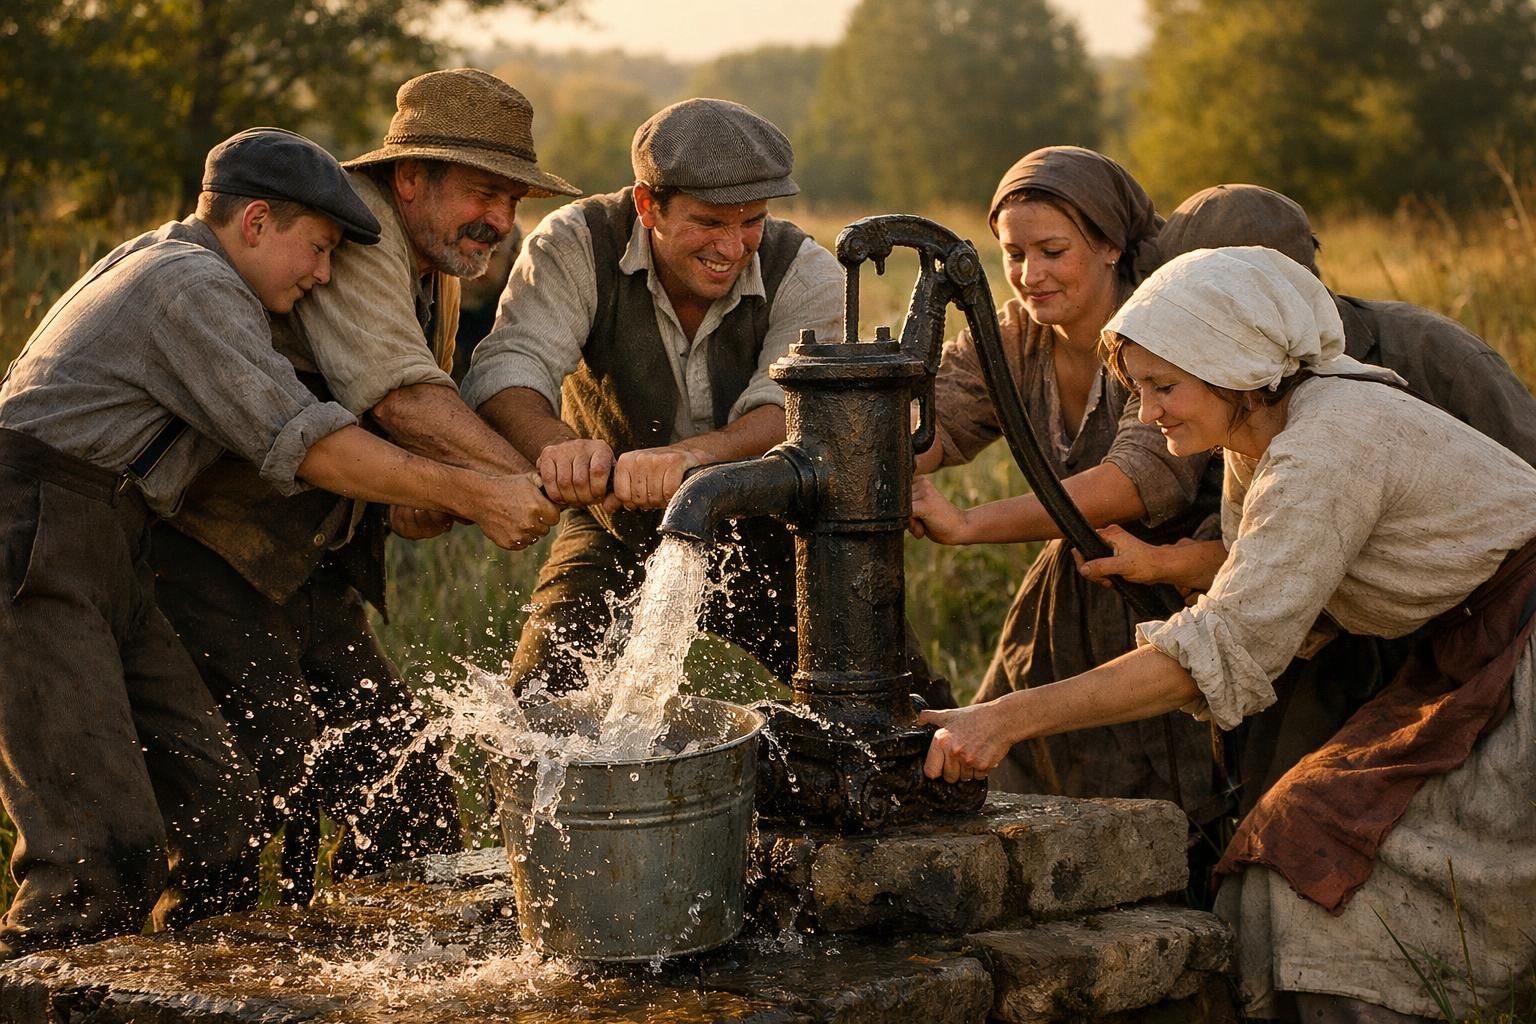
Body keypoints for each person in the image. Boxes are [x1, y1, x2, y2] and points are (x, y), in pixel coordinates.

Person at [920, 246, 1536, 1022]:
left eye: (1164, 387)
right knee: (1294, 845)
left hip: (1519, 654)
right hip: (1470, 650)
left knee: (1338, 882)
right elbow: (1272, 560)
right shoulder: (1266, 436)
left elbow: (1219, 646)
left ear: (1236, 366)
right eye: (1139, 389)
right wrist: (1165, 563)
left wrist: (1004, 718)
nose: (1148, 414)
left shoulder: (1328, 442)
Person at [0, 128, 555, 956]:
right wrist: (475, 490)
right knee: (96, 852)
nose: (325, 275)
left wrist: (419, 497)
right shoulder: (191, 286)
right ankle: (40, 988)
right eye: (319, 249)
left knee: (220, 809)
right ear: (256, 222)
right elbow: (308, 444)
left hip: (113, 536)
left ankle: (205, 989)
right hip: (34, 526)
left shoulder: (185, 269)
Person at [149, 69, 578, 902]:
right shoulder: (356, 228)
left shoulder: (438, 261)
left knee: (405, 790)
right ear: (410, 177)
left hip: (307, 568)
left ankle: (377, 960)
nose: (501, 222)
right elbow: (404, 401)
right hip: (209, 556)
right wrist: (537, 482)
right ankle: (188, 965)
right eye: (485, 193)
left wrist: (443, 494)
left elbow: (407, 441)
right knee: (250, 805)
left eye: (513, 202)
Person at [1108, 183, 1536, 814]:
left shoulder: (1408, 365)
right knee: (1286, 790)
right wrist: (1166, 565)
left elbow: (1509, 492)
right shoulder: (1243, 418)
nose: (1149, 410)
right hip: (1355, 623)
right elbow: (1263, 551)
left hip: (1482, 622)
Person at [462, 98, 850, 696]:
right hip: (614, 521)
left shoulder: (806, 270)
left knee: (880, 695)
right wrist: (561, 448)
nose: (732, 246)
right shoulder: (575, 241)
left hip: (772, 523)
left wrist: (691, 457)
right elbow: (511, 366)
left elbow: (793, 409)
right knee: (541, 702)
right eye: (710, 222)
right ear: (647, 205)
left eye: (751, 221)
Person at [909, 146, 1222, 816]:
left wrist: (966, 525)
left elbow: (1139, 480)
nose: (1030, 275)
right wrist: (882, 447)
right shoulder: (1015, 337)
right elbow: (934, 425)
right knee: (1013, 787)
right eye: (1013, 254)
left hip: (1181, 589)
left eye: (1053, 251)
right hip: (1071, 593)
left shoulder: (1162, 331)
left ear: (1109, 246)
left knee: (1180, 803)